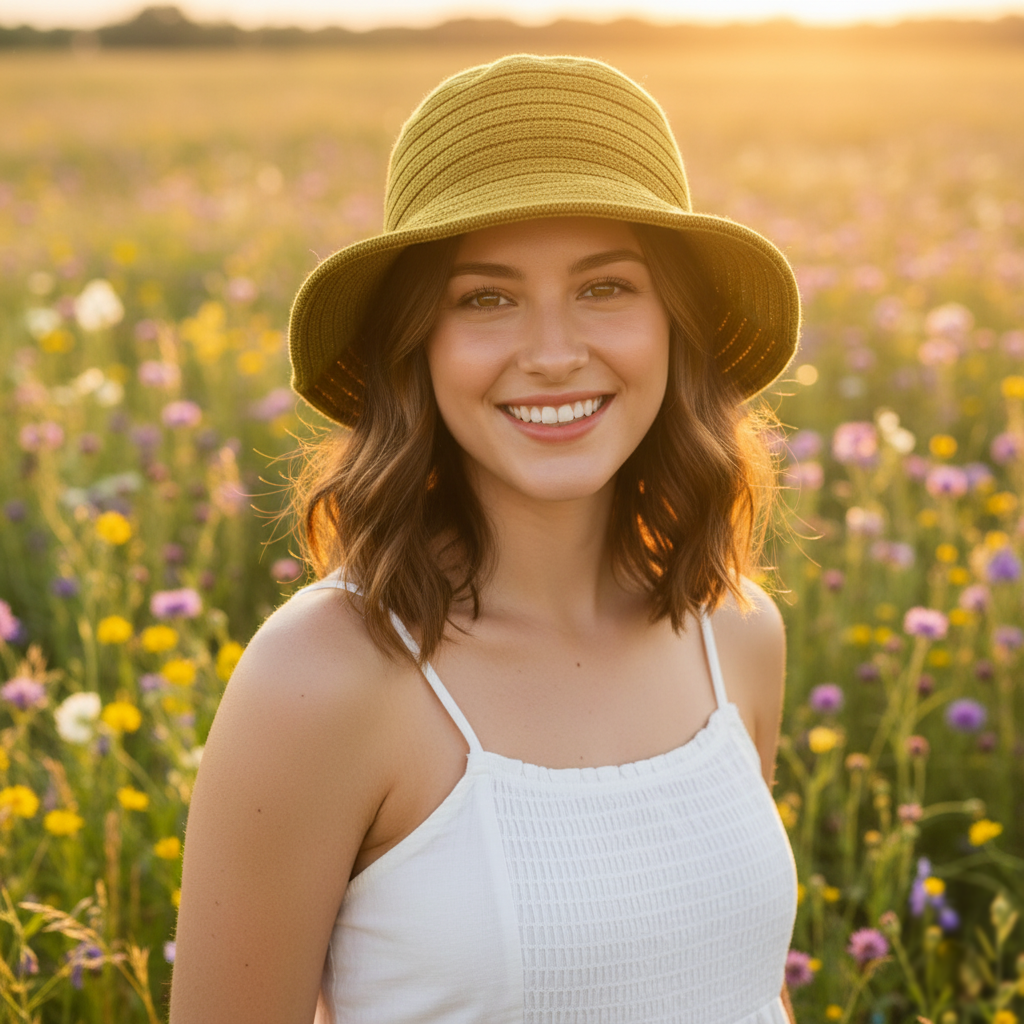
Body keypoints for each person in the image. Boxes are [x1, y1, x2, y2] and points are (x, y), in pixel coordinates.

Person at [170, 54, 802, 1024]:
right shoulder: (322, 678)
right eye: (485, 298)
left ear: (677, 325)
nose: (552, 353)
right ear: (415, 344)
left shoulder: (737, 633)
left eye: (605, 287)